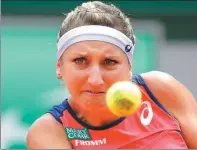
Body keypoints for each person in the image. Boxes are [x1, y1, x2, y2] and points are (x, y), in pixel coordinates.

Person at [26, 1, 197, 149]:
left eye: (109, 62)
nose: (95, 80)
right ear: (59, 68)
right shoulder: (49, 131)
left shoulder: (162, 89)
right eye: (80, 61)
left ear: (129, 68)